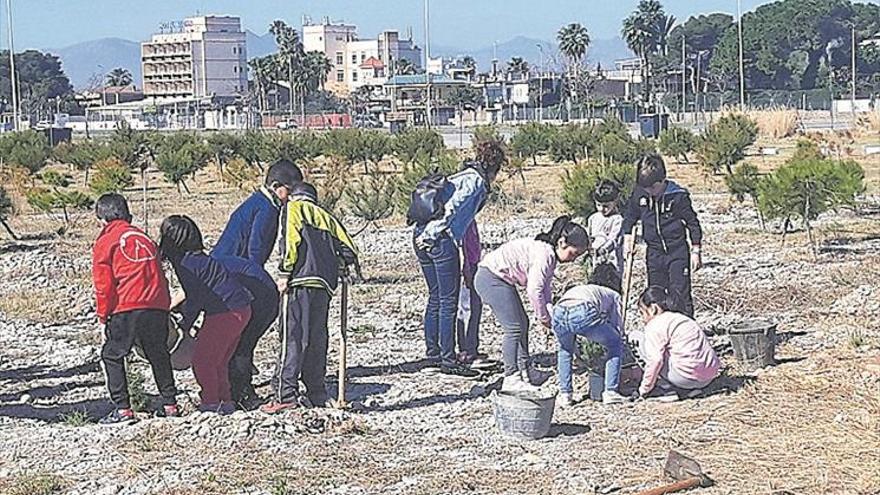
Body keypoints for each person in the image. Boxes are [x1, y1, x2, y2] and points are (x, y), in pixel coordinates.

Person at [262, 182, 359, 414]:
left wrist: (285, 273)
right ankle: (316, 392)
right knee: (317, 339)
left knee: (292, 337)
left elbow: (290, 242)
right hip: (324, 285)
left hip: (299, 281)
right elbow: (349, 249)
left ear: (295, 196)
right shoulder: (326, 216)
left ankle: (285, 394)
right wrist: (341, 265)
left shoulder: (293, 209)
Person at [475, 216, 589, 392]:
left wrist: (551, 313)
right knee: (513, 328)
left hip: (501, 279)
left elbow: (545, 290)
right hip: (491, 278)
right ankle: (511, 377)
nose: (573, 259)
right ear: (562, 242)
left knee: (522, 323)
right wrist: (543, 317)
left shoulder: (549, 254)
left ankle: (526, 370)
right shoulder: (545, 254)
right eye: (573, 253)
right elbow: (534, 290)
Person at [92, 194, 179, 425]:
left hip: (127, 305)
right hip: (157, 304)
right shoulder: (144, 237)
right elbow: (160, 275)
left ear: (102, 218)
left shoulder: (106, 241)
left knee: (112, 354)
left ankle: (122, 410)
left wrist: (103, 316)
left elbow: (104, 285)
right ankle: (170, 404)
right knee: (158, 353)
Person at [412, 157, 502, 378]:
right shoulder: (475, 182)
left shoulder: (458, 177)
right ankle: (448, 359)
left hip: (419, 236)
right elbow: (452, 209)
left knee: (435, 297)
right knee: (447, 301)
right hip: (439, 240)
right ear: (493, 169)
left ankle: (432, 355)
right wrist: (433, 234)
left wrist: (424, 235)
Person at [159, 215, 253, 415]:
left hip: (224, 312)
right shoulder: (199, 258)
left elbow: (194, 298)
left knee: (203, 361)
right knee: (219, 361)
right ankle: (225, 402)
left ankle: (211, 403)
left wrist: (185, 324)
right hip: (241, 308)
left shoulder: (185, 263)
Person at [622, 155, 703, 317]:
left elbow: (692, 223)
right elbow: (630, 217)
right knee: (656, 294)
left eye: (653, 187)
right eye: (646, 188)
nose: (649, 192)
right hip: (654, 253)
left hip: (677, 252)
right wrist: (627, 237)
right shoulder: (640, 195)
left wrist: (696, 251)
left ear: (662, 180)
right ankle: (660, 331)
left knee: (679, 293)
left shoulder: (678, 196)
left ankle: (685, 330)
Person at [552, 263, 628, 407]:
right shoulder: (613, 295)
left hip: (560, 311)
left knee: (565, 350)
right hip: (582, 310)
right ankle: (610, 391)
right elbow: (617, 326)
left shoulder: (585, 288)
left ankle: (565, 394)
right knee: (615, 343)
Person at [212, 255, 279, 411]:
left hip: (261, 300)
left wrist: (185, 324)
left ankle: (243, 395)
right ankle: (237, 393)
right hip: (265, 295)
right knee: (240, 346)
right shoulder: (211, 263)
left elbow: (194, 302)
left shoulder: (201, 270)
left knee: (241, 346)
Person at [630, 286, 720, 401]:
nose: (643, 319)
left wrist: (644, 390)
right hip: (708, 378)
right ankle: (688, 390)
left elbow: (655, 360)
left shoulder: (655, 324)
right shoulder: (684, 319)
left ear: (653, 309)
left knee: (636, 337)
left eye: (642, 313)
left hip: (685, 378)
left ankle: (665, 389)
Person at [211, 159, 303, 264]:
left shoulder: (258, 201)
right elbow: (256, 250)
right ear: (275, 186)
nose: (291, 197)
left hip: (223, 264)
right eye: (289, 190)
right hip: (230, 270)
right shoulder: (267, 208)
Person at [456, 220, 488, 368]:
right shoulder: (464, 217)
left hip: (474, 262)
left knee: (473, 307)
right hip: (469, 265)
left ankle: (471, 347)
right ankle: (467, 350)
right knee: (468, 308)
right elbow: (462, 245)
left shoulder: (469, 216)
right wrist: (466, 267)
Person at [588, 180, 625, 286]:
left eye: (606, 206)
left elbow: (614, 239)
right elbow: (590, 237)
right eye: (598, 205)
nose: (601, 209)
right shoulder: (593, 218)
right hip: (595, 261)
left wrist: (602, 250)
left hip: (612, 262)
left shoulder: (617, 219)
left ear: (615, 202)